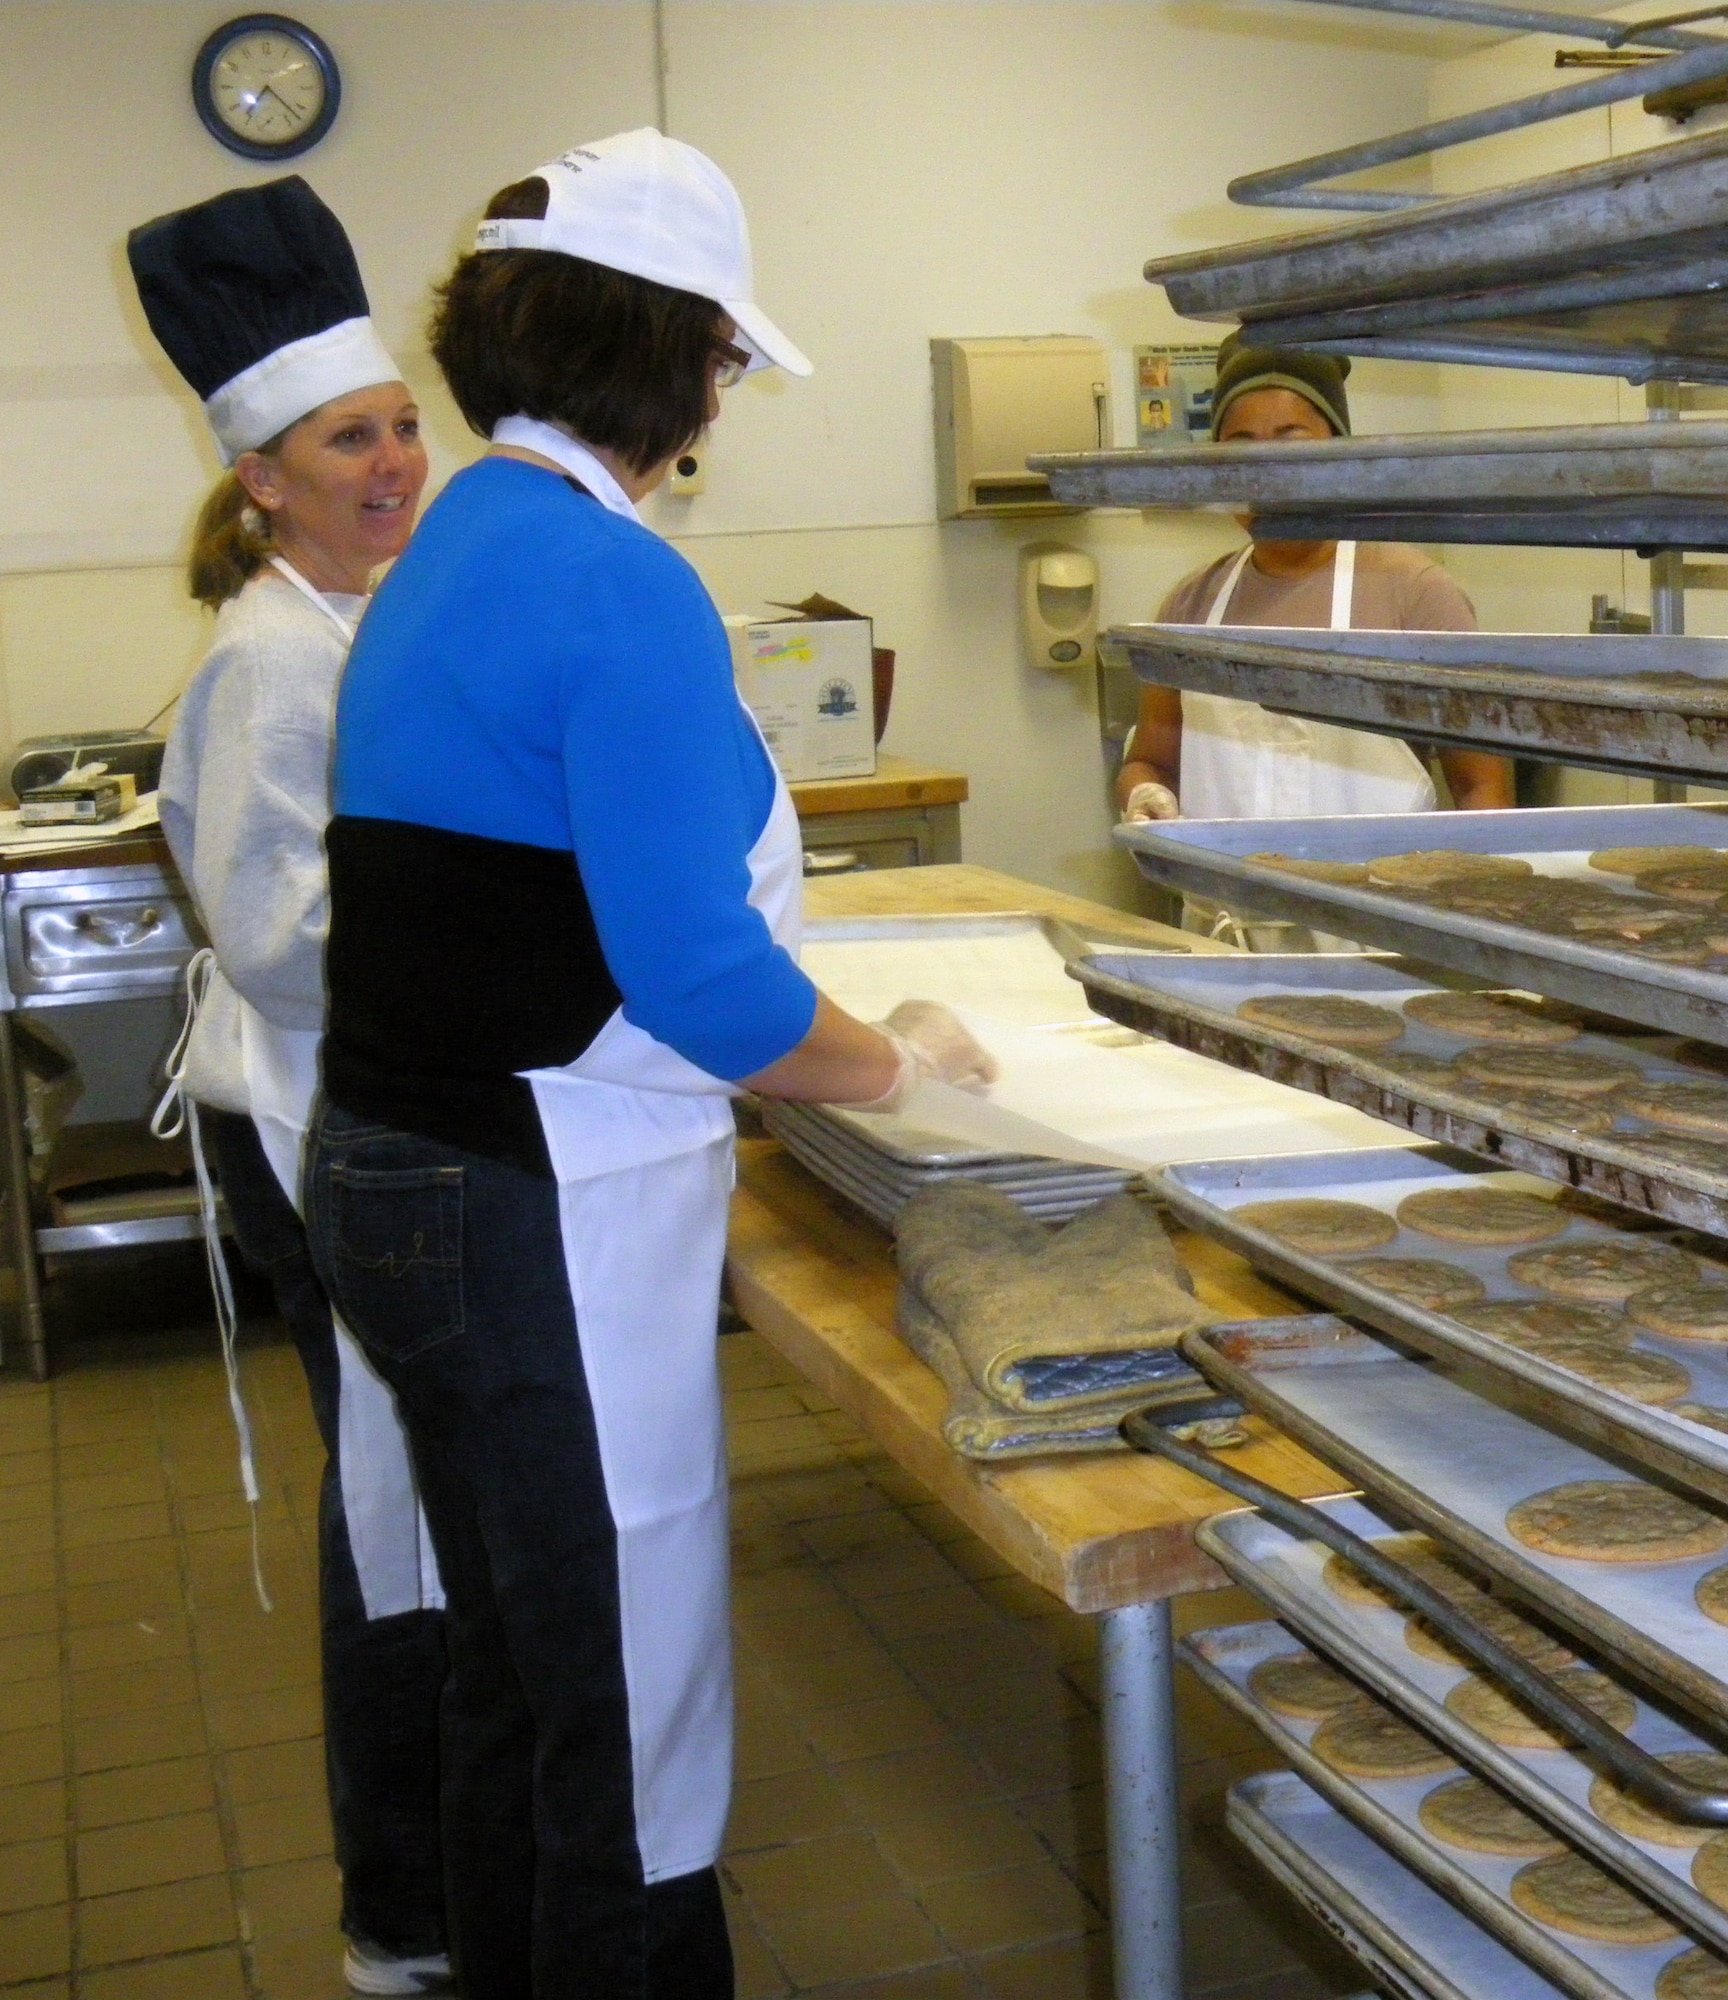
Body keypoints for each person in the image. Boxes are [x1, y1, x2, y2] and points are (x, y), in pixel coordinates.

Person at [300, 129, 995, 1999]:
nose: (726, 391)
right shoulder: (615, 583)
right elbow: (701, 980)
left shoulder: (462, 538)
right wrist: (903, 1069)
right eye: (724, 354)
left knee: (518, 1661)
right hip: (536, 1197)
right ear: (666, 350)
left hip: (397, 1168)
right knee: (619, 1693)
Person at [129, 179, 451, 1999]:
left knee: (412, 1502)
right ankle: (403, 1914)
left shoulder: (369, 617)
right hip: (312, 1125)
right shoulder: (266, 657)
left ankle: (426, 1879)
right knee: (394, 1512)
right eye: (351, 439)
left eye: (404, 422)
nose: (395, 458)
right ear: (265, 477)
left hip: (369, 1111)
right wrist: (501, 924)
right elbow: (278, 937)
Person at [1116, 336, 1513, 946]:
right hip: (1223, 941)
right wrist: (1144, 794)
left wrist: (1457, 922)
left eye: (1292, 441)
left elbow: (1482, 787)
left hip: (1379, 942)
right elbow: (1154, 760)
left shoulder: (1414, 594)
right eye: (1239, 445)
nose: (1265, 469)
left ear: (1340, 453)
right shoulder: (1191, 606)